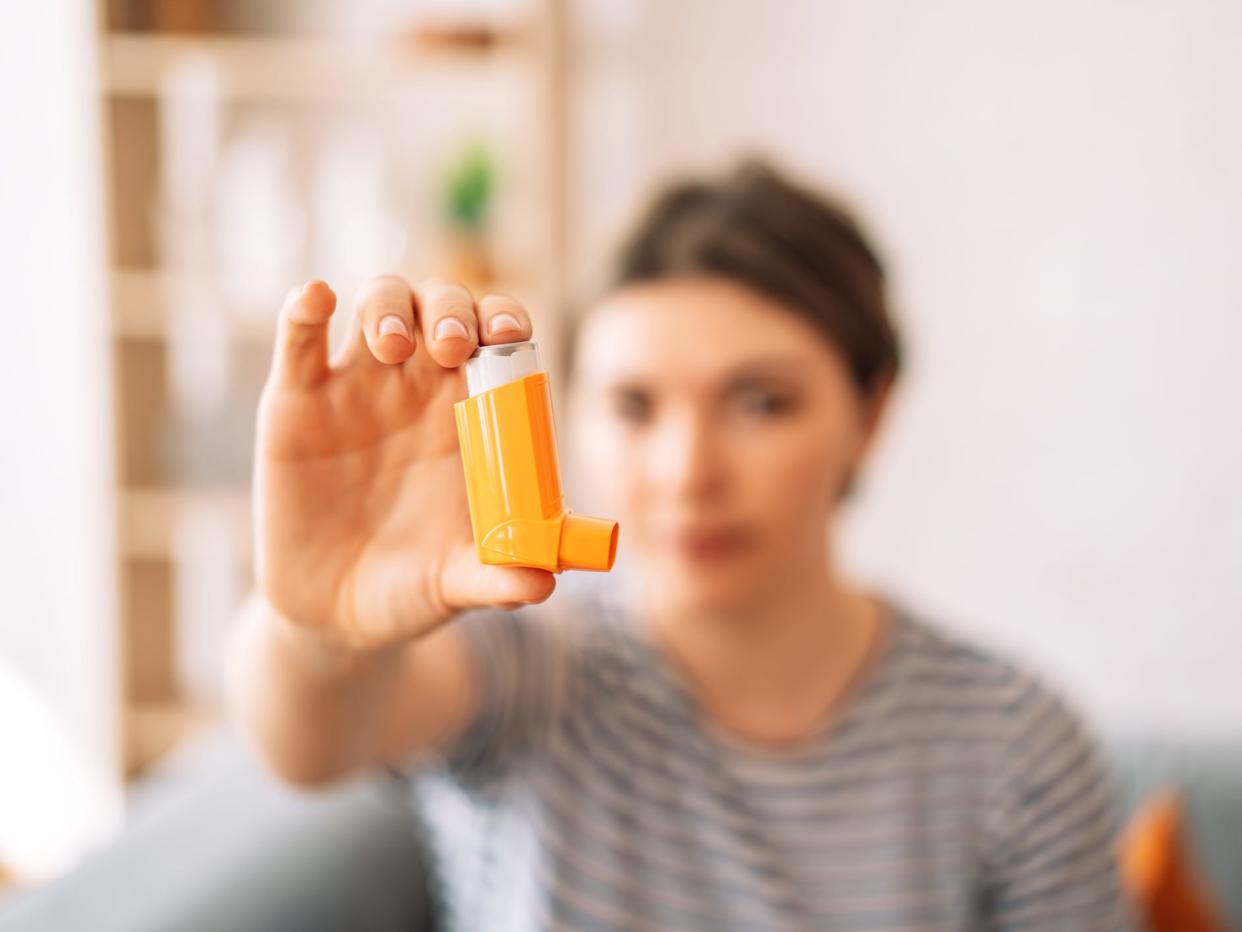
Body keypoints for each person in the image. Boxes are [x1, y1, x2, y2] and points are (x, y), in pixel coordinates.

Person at [226, 159, 1134, 930]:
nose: (687, 471)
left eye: (759, 403)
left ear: (871, 412)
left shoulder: (1015, 742)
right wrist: (321, 630)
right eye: (633, 406)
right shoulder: (530, 670)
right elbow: (309, 744)